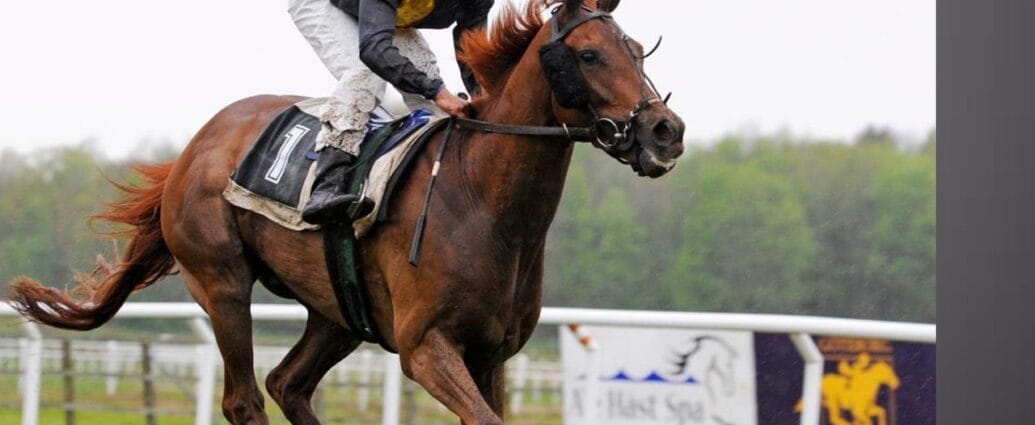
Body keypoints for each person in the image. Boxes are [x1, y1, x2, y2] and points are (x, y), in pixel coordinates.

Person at [288, 0, 492, 224]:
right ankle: (327, 184)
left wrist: (483, 96)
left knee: (428, 77)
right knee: (364, 76)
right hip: (324, 4)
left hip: (380, 11)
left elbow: (472, 41)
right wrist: (439, 93)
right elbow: (373, 49)